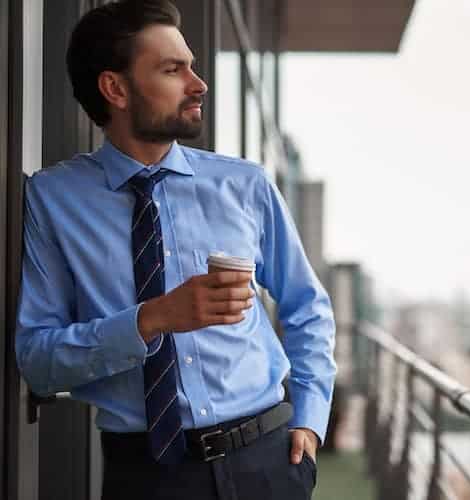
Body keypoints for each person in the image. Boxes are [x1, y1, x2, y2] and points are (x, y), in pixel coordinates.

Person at [14, 1, 336, 498]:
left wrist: (311, 423)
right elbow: (38, 358)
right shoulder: (53, 200)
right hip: (146, 477)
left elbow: (306, 306)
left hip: (267, 461)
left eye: (192, 65)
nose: (198, 83)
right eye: (172, 69)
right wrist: (152, 319)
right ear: (115, 88)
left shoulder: (243, 184)